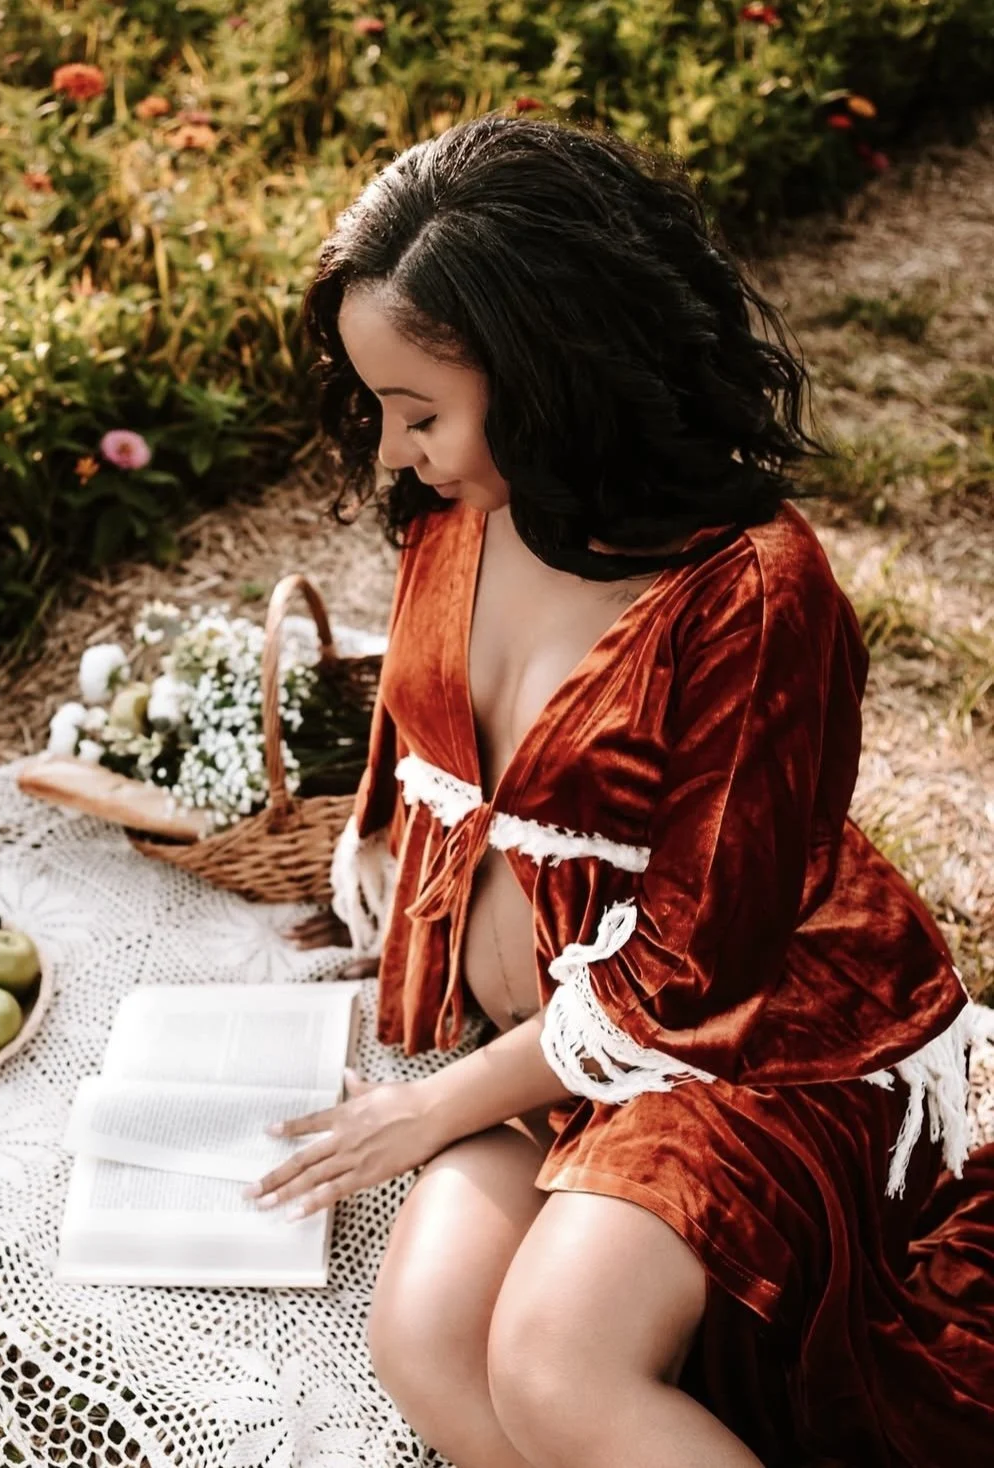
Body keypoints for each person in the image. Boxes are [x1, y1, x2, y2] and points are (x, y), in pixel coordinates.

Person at [250, 111, 994, 1467]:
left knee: (554, 1366)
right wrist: (379, 832)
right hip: (540, 1059)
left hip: (739, 1041)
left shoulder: (754, 589)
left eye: (418, 413)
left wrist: (427, 1104)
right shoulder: (450, 509)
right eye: (378, 411)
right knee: (422, 1341)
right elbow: (435, 726)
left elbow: (700, 971)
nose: (389, 451)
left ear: (546, 380)